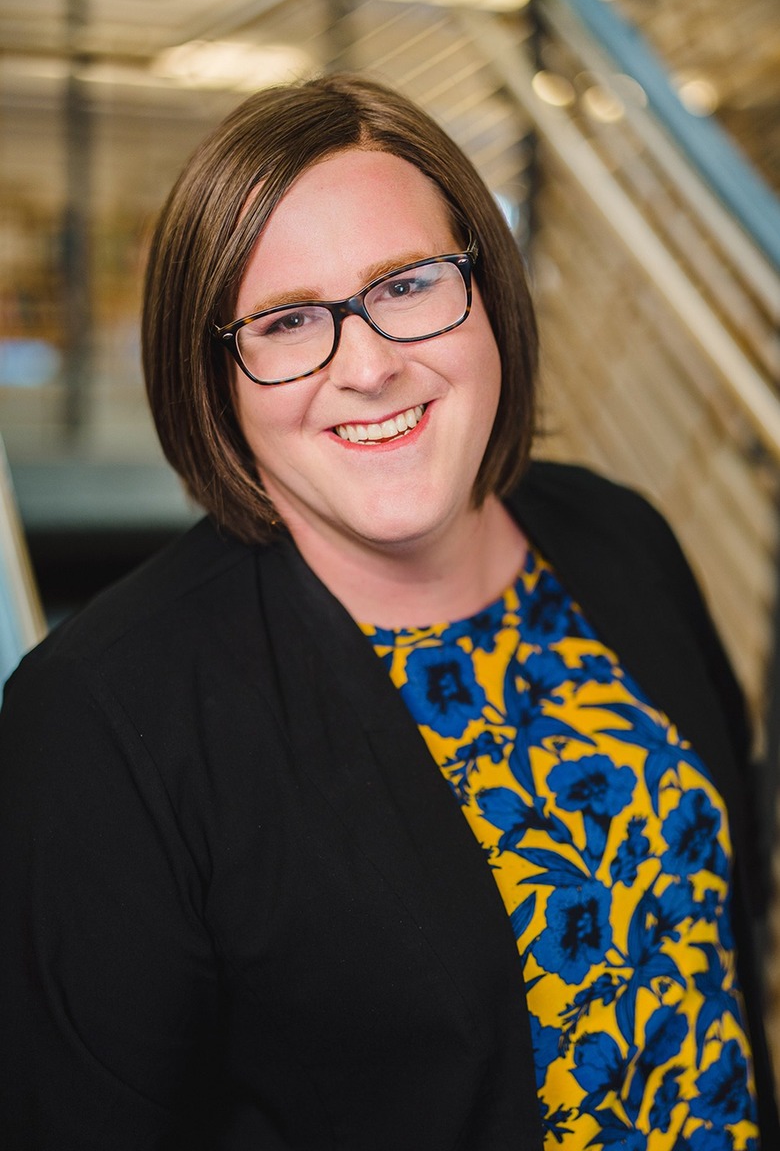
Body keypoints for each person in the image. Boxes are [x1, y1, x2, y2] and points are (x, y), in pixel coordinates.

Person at [0, 73, 776, 1151]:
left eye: (406, 285)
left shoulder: (616, 536)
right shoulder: (104, 719)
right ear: (215, 374)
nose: (366, 365)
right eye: (285, 321)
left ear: (485, 287)